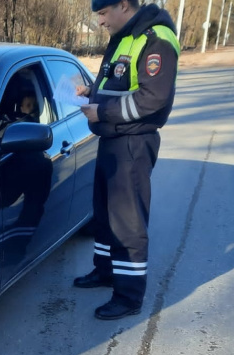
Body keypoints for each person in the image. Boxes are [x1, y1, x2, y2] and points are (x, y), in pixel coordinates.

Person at [73, 0, 180, 320]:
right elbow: (117, 83)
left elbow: (153, 97)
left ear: (123, 5)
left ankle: (128, 295)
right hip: (112, 139)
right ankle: (105, 271)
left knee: (128, 222)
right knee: (105, 213)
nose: (101, 22)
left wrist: (102, 111)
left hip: (133, 143)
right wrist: (90, 91)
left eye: (103, 13)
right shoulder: (124, 36)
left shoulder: (155, 38)